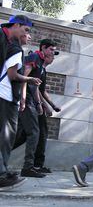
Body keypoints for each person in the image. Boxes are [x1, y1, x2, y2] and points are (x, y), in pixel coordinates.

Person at [0, 15, 41, 190]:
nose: (28, 35)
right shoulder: (15, 48)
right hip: (6, 97)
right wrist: (30, 79)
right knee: (6, 137)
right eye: (26, 30)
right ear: (16, 25)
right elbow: (12, 75)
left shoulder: (6, 40)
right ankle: (1, 176)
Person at [13, 51, 61, 174]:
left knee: (25, 134)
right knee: (34, 133)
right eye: (51, 50)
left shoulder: (41, 69)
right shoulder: (35, 59)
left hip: (33, 102)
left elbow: (37, 88)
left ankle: (31, 165)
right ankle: (28, 167)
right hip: (28, 102)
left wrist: (49, 105)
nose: (53, 56)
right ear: (44, 49)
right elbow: (25, 79)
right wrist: (24, 99)